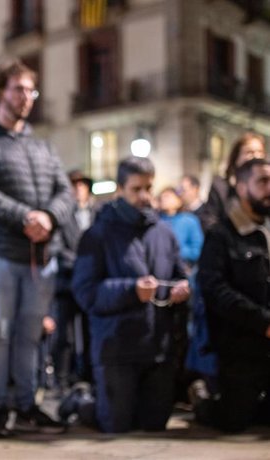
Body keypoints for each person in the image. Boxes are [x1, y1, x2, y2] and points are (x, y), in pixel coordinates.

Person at [0, 59, 73, 437]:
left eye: (30, 90)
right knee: (0, 333)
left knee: (29, 334)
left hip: (40, 258)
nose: (26, 97)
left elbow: (66, 191)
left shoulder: (42, 147)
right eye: (18, 88)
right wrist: (29, 216)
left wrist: (51, 218)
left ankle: (27, 405)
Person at [71, 157, 190, 433]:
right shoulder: (97, 235)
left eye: (148, 187)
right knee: (116, 424)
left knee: (153, 425)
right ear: (120, 189)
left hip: (157, 349)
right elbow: (85, 292)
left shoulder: (164, 233)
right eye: (136, 189)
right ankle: (80, 402)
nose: (145, 196)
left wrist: (182, 288)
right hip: (117, 349)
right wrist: (131, 289)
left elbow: (178, 273)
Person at [194, 158, 270, 433]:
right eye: (262, 181)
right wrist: (263, 322)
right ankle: (204, 399)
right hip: (241, 348)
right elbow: (215, 289)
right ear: (241, 186)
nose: (268, 189)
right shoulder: (221, 235)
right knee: (234, 419)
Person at [52, 170, 96, 395]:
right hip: (67, 283)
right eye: (74, 184)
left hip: (90, 284)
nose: (79, 189)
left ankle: (88, 375)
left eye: (82, 184)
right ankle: (62, 378)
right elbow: (58, 248)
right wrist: (82, 264)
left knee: (90, 331)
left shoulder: (96, 214)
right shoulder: (62, 215)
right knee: (65, 336)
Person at [198, 133, 266, 231]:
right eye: (250, 152)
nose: (256, 156)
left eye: (260, 152)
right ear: (236, 157)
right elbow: (208, 220)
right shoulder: (221, 186)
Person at [158, 187, 204, 271]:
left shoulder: (190, 221)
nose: (163, 199)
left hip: (183, 269)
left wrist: (173, 250)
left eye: (167, 196)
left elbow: (197, 250)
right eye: (161, 197)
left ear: (179, 200)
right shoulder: (156, 221)